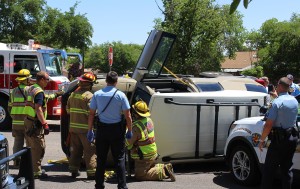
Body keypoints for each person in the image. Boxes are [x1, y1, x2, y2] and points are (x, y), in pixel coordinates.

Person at [87, 71, 133, 189]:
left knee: (101, 159)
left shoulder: (97, 94)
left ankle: (99, 185)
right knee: (119, 158)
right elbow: (128, 115)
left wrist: (90, 130)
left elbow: (91, 114)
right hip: (117, 130)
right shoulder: (121, 95)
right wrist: (130, 130)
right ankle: (122, 185)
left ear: (106, 81)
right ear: (116, 82)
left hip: (102, 130)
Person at [259, 77, 299, 189]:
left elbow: (268, 124)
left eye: (277, 85)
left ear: (280, 86)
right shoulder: (294, 100)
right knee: (287, 170)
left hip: (278, 141)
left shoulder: (277, 102)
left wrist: (262, 140)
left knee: (268, 171)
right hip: (292, 138)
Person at [23, 71, 63, 179]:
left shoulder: (32, 88)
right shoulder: (39, 91)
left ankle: (31, 169)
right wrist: (45, 124)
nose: (48, 81)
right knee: (38, 147)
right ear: (41, 80)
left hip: (28, 120)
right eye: (47, 79)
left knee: (30, 146)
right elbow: (39, 108)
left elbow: (43, 98)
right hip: (35, 123)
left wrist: (56, 94)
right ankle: (36, 172)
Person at [125, 100, 176, 182]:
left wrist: (127, 130)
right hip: (152, 153)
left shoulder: (136, 127)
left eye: (133, 112)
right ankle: (163, 167)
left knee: (140, 176)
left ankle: (164, 171)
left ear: (136, 114)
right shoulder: (149, 120)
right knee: (150, 167)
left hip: (144, 157)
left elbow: (127, 143)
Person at [66, 72, 97, 179]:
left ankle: (74, 170)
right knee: (90, 151)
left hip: (74, 129)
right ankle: (92, 173)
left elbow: (68, 111)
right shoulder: (89, 96)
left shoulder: (73, 95)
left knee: (75, 151)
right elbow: (92, 113)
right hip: (85, 129)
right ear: (90, 84)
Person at [8, 69, 32, 167]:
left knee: (17, 142)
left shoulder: (13, 91)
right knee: (30, 144)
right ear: (26, 80)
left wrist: (14, 116)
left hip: (16, 122)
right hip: (27, 121)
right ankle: (28, 163)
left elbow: (9, 107)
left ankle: (16, 161)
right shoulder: (29, 90)